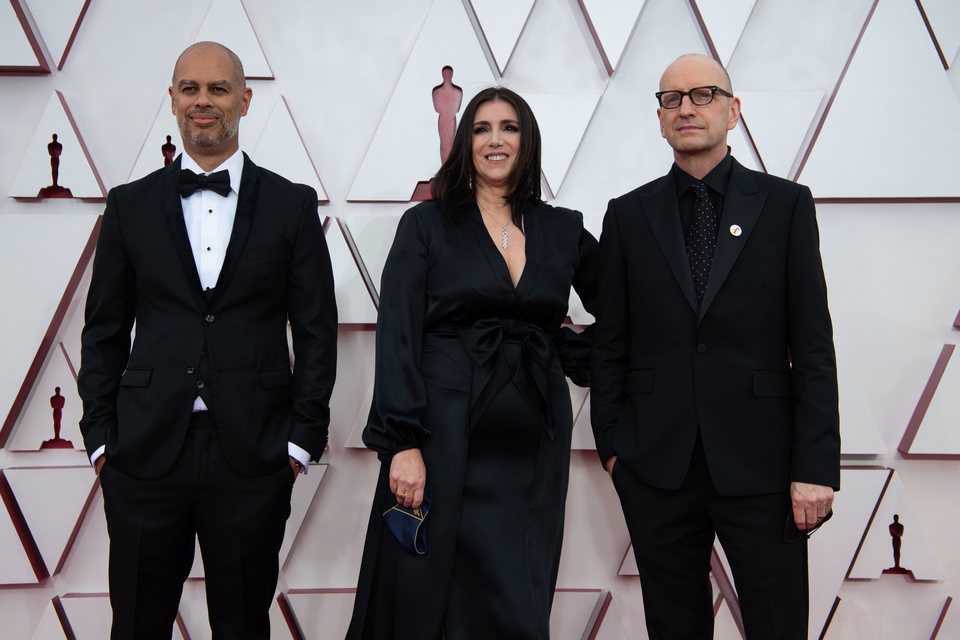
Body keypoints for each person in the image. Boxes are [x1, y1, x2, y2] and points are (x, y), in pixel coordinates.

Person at [77, 41, 337, 639]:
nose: (203, 101)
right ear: (171, 100)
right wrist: (100, 440)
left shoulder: (291, 205)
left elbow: (317, 332)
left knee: (243, 626)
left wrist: (299, 442)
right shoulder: (129, 205)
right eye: (190, 89)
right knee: (137, 624)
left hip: (254, 453)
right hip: (143, 453)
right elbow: (104, 331)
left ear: (244, 101)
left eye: (218, 89)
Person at [591, 53, 840, 639]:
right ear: (659, 118)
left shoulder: (785, 206)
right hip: (656, 464)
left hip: (765, 463)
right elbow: (611, 343)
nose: (686, 108)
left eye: (702, 94)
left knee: (777, 624)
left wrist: (815, 465)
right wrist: (615, 448)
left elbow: (812, 346)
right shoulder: (628, 215)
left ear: (733, 110)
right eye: (671, 99)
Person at [347, 86, 599, 639]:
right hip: (441, 434)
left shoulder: (562, 229)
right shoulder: (428, 225)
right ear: (466, 142)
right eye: (482, 128)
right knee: (426, 588)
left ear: (526, 140)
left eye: (508, 128)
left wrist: (564, 351)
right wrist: (402, 443)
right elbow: (398, 333)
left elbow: (627, 310)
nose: (495, 140)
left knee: (517, 587)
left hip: (532, 441)